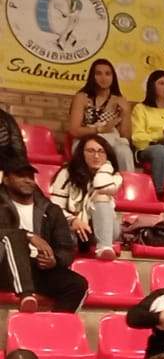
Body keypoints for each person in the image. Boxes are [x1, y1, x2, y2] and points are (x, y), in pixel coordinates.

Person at [0, 160, 88, 313]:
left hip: (36, 269)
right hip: (4, 267)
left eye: (30, 177)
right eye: (20, 176)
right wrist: (29, 236)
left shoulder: (52, 210)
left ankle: (54, 329)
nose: (27, 180)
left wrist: (54, 260)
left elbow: (66, 248)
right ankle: (26, 294)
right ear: (6, 180)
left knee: (77, 284)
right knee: (16, 237)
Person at [49, 133, 121, 259]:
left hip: (102, 230)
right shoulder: (67, 173)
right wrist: (74, 220)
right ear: (81, 153)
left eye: (101, 151)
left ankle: (104, 248)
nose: (96, 156)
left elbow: (100, 185)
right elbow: (55, 206)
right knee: (64, 236)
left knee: (101, 196)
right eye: (90, 151)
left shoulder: (114, 177)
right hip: (72, 227)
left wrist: (105, 169)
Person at [64, 58, 134, 171]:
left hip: (112, 140)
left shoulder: (120, 101)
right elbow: (74, 130)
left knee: (124, 150)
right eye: (98, 74)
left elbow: (125, 137)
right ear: (92, 76)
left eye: (108, 74)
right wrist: (100, 129)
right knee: (90, 149)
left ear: (113, 77)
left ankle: (127, 184)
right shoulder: (82, 97)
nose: (103, 78)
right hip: (85, 140)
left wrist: (126, 112)